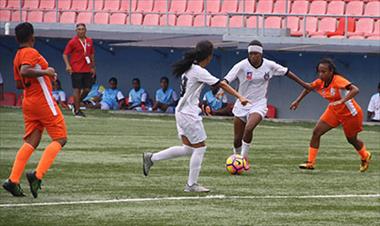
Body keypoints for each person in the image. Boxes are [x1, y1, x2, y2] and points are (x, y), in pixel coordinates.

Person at [142, 40, 249, 193]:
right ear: (209, 56)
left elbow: (190, 93)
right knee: (200, 148)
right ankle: (191, 185)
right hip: (188, 114)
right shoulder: (198, 70)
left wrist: (200, 105)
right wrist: (240, 97)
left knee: (188, 149)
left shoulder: (189, 68)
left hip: (181, 111)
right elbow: (221, 84)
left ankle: (151, 158)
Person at [2, 22, 67, 198]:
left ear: (16, 38)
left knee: (32, 140)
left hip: (28, 101)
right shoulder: (31, 52)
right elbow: (25, 71)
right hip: (42, 100)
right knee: (60, 138)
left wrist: (43, 76)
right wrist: (46, 72)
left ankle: (13, 180)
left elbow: (18, 83)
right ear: (32, 37)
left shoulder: (17, 55)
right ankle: (37, 175)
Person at [224, 40, 311, 169]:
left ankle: (243, 159)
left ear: (261, 54)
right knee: (237, 139)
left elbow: (287, 72)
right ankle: (237, 158)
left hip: (259, 104)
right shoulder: (241, 66)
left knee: (249, 128)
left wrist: (304, 84)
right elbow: (225, 81)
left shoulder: (269, 65)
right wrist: (233, 95)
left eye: (256, 54)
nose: (253, 56)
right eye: (251, 53)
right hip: (241, 104)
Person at [290, 58, 372, 172]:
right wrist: (297, 101)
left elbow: (355, 90)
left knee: (352, 140)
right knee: (316, 132)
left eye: (324, 72)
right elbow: (309, 88)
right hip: (334, 111)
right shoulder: (320, 82)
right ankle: (310, 163)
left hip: (350, 114)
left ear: (331, 71)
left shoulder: (338, 80)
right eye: (319, 71)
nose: (321, 74)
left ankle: (365, 155)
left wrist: (342, 101)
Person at [63, 23, 95, 117]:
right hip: (76, 69)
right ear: (76, 31)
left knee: (87, 89)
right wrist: (68, 65)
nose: (81, 31)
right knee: (77, 89)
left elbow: (91, 54)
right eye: (79, 29)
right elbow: (65, 54)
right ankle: (77, 110)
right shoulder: (72, 42)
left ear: (85, 30)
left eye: (82, 29)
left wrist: (93, 67)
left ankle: (75, 104)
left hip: (87, 69)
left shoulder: (89, 41)